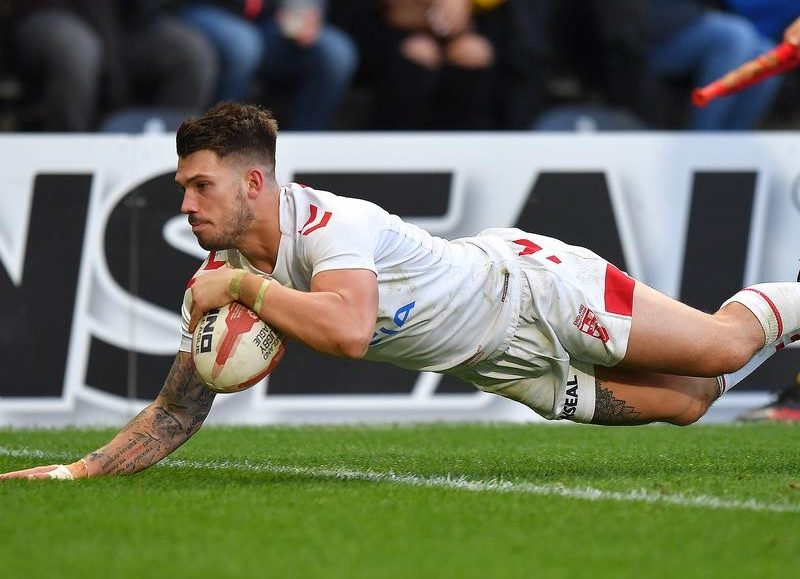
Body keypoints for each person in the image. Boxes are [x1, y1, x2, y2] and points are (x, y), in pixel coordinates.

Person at [3, 101, 800, 480]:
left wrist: (244, 284)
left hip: (534, 290)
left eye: (199, 186)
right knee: (691, 400)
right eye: (182, 187)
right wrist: (75, 473)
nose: (184, 204)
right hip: (501, 365)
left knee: (722, 346)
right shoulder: (214, 281)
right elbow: (177, 412)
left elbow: (349, 331)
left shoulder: (330, 224)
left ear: (253, 183)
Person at [8, 1, 216, 132]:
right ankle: (72, 161)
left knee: (190, 52)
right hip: (54, 10)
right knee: (76, 49)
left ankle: (171, 158)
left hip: (125, 19)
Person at [592, 0, 782, 131]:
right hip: (643, 44)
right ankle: (701, 142)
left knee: (765, 53)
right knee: (733, 37)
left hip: (690, 22)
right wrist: (698, 17)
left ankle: (730, 146)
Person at [179, 0, 357, 130]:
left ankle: (301, 148)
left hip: (269, 18)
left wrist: (304, 12)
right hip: (207, 8)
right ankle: (221, 141)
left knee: (334, 53)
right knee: (241, 45)